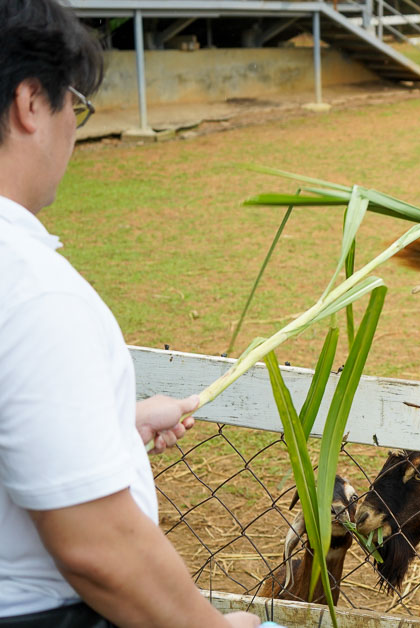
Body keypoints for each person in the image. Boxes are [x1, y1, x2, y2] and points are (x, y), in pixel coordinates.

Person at [0, 2, 260, 626]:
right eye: (75, 104)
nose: (73, 129)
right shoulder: (34, 292)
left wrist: (114, 425)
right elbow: (98, 550)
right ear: (32, 102)